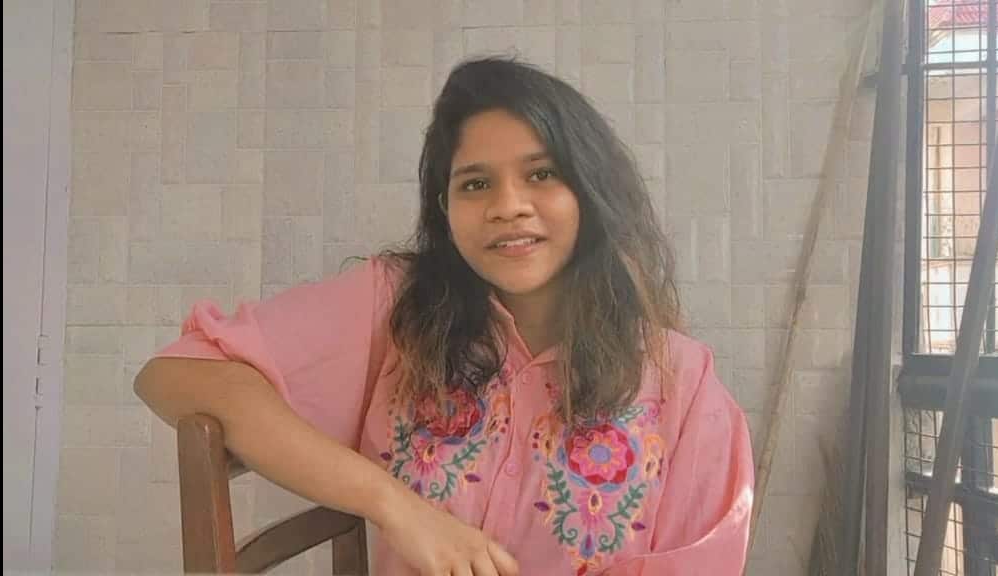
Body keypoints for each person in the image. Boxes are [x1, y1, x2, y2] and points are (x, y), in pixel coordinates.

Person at [136, 57, 753, 576]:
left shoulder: (683, 384)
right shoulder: (395, 307)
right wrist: (394, 505)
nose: (508, 206)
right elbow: (175, 374)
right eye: (475, 184)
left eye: (542, 174)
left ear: (591, 192)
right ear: (445, 208)